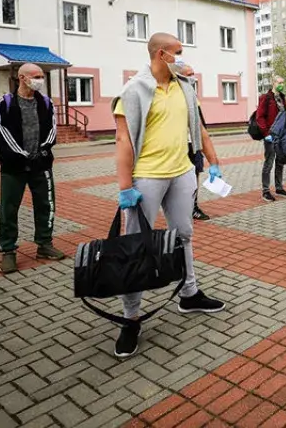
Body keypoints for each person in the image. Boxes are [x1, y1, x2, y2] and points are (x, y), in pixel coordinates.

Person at [112, 32, 226, 358]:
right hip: (146, 178)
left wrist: (214, 162)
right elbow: (123, 141)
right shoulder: (133, 90)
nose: (183, 56)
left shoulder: (185, 87)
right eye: (178, 51)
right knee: (135, 243)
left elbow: (199, 128)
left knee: (185, 235)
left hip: (181, 173)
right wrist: (125, 187)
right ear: (162, 54)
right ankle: (130, 317)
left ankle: (189, 294)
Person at [0, 63, 67, 274]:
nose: (40, 80)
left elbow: (53, 129)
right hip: (13, 166)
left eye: (41, 76)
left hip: (41, 164)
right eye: (36, 76)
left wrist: (43, 150)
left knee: (46, 205)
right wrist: (22, 155)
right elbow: (2, 133)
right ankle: (8, 251)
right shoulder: (4, 103)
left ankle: (44, 244)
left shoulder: (46, 102)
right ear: (22, 78)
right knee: (9, 208)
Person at [175, 65, 211, 221]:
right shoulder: (174, 95)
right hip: (179, 144)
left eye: (193, 74)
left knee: (195, 174)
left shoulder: (193, 95)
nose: (193, 77)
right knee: (179, 177)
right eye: (189, 74)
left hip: (193, 144)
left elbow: (200, 121)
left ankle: (193, 207)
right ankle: (179, 206)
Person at [257, 76, 286, 202]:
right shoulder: (266, 98)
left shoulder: (282, 97)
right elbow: (260, 117)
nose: (281, 84)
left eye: (283, 82)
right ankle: (265, 190)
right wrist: (266, 134)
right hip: (270, 135)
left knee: (280, 160)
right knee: (269, 162)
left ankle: (279, 187)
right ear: (273, 83)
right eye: (279, 82)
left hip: (282, 135)